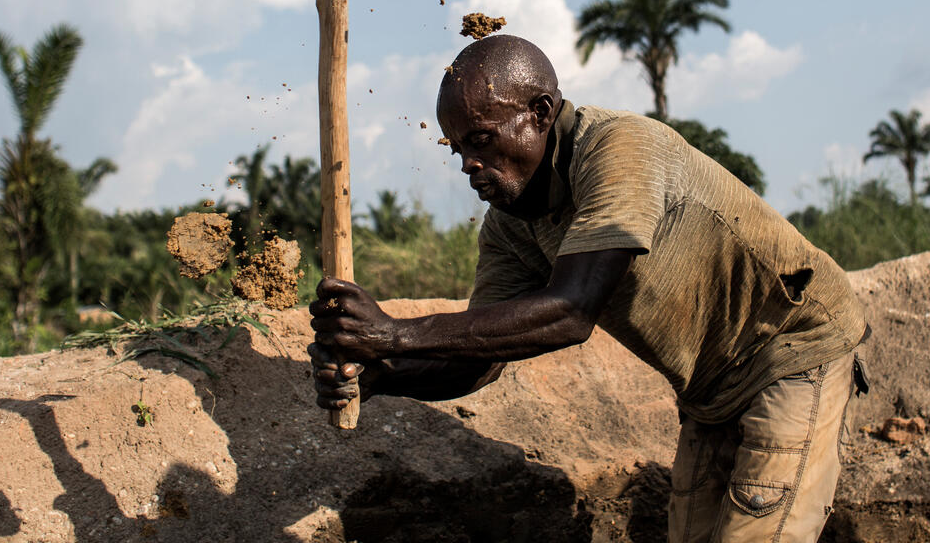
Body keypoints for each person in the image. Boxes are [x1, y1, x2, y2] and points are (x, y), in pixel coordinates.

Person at [309, 35, 869, 542]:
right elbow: (476, 359)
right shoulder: (511, 224)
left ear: (541, 112)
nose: (470, 164)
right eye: (458, 149)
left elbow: (571, 311)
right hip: (711, 390)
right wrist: (380, 375)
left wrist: (391, 334)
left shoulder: (619, 150)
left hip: (793, 348)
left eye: (481, 139)